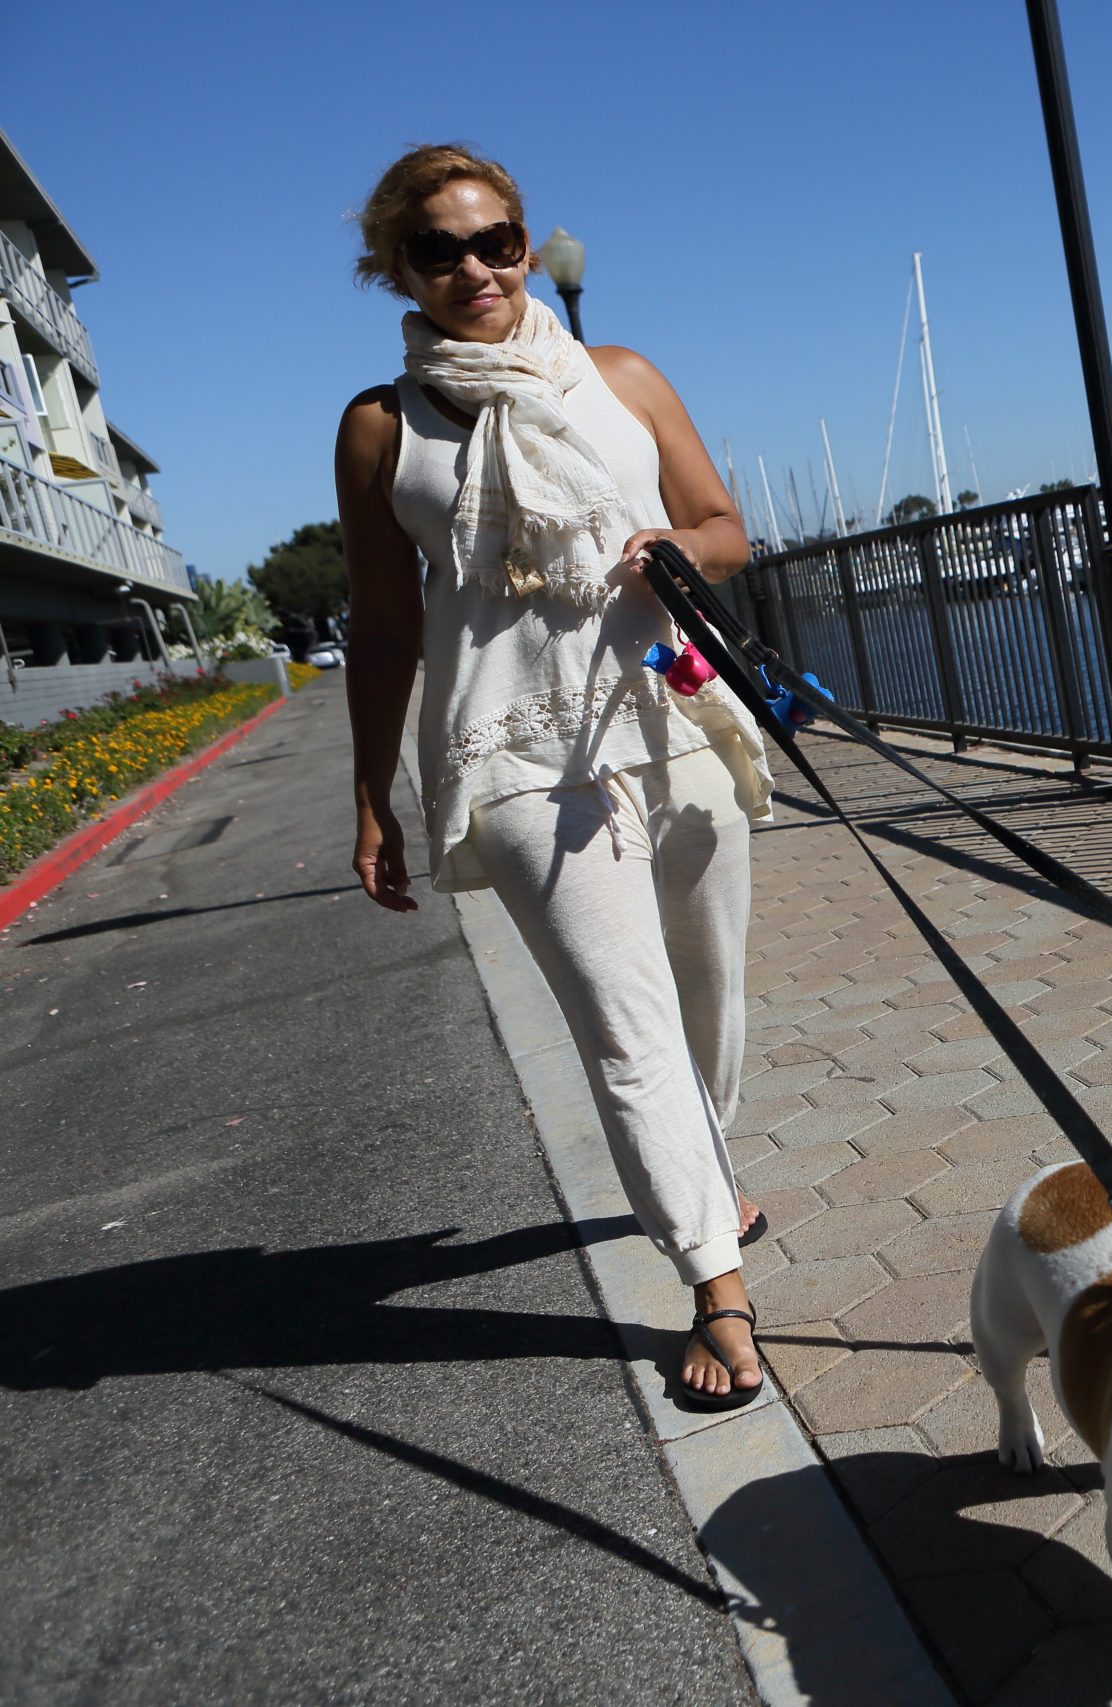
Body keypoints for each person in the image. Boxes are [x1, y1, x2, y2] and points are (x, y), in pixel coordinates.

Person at [335, 144, 776, 1407]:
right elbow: (384, 627)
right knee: (628, 1034)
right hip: (521, 758)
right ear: (394, 269)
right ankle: (713, 1286)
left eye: (497, 241)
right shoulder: (381, 427)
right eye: (440, 250)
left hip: (670, 724)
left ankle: (708, 1179)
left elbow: (726, 529)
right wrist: (372, 794)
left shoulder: (619, 375)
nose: (475, 267)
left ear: (527, 244)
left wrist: (671, 546)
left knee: (707, 1008)